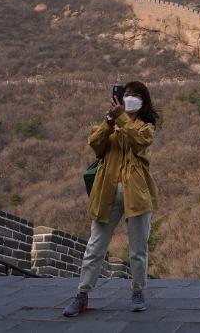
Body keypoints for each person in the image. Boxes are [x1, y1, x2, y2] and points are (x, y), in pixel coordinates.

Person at [64, 81, 160, 317]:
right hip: (107, 190)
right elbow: (95, 144)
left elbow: (139, 142)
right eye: (127, 95)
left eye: (136, 95)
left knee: (138, 248)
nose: (130, 98)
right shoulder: (112, 124)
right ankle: (82, 294)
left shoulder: (146, 126)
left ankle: (138, 291)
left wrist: (121, 119)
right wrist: (109, 121)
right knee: (95, 245)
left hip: (137, 192)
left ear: (143, 101)